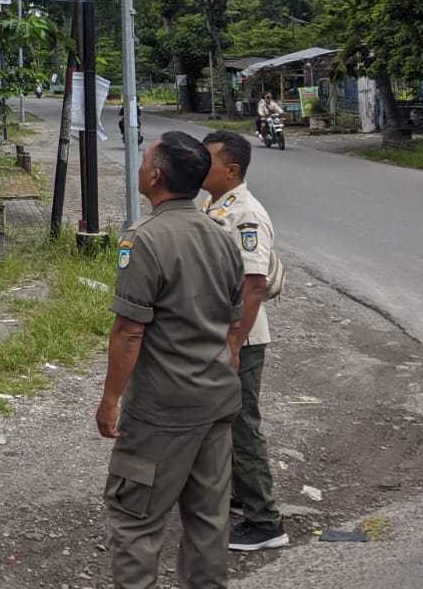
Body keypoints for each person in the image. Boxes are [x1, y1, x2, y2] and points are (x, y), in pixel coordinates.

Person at [97, 131, 246, 589]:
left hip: (163, 409)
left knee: (136, 520)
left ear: (156, 175)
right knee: (208, 521)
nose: (140, 166)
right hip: (216, 401)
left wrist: (110, 399)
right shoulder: (222, 237)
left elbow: (129, 331)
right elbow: (233, 325)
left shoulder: (143, 240)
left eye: (144, 159)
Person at [202, 131, 287, 551]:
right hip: (225, 334)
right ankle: (240, 498)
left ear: (232, 170)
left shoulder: (246, 215)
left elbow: (253, 286)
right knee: (226, 423)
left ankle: (266, 523)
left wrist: (234, 344)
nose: (201, 167)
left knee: (242, 426)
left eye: (209, 161)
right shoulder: (216, 206)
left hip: (243, 339)